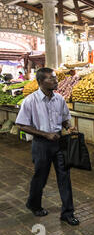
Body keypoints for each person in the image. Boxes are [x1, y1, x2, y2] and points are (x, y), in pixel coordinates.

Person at [15, 68, 79, 226]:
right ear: (41, 82)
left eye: (55, 78)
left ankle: (67, 212)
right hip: (41, 144)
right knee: (40, 177)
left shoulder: (59, 99)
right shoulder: (31, 100)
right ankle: (34, 204)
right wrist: (45, 134)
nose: (56, 81)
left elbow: (65, 118)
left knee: (64, 177)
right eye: (51, 79)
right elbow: (21, 124)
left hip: (59, 142)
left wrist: (69, 127)